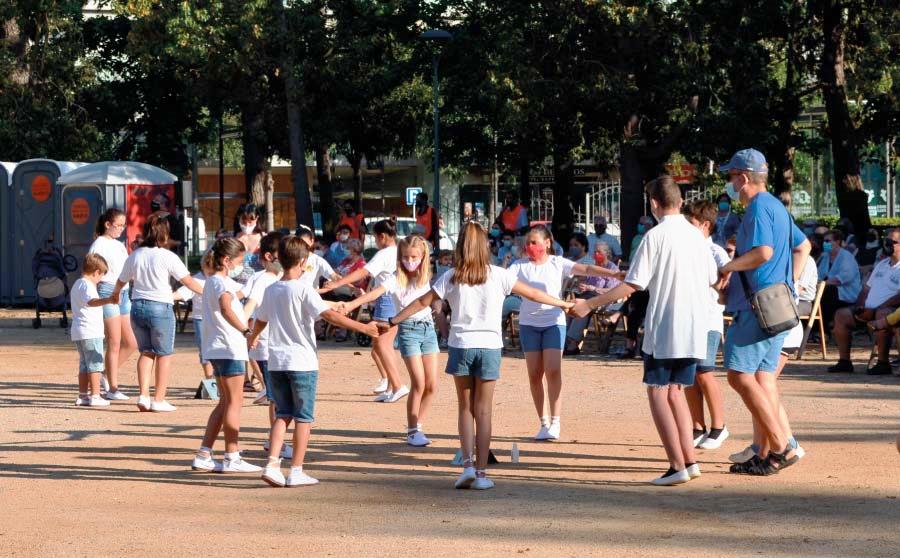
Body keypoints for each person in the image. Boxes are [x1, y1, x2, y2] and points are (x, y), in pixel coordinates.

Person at [384, 222, 573, 490]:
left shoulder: (451, 275)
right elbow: (533, 294)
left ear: (461, 247)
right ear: (486, 246)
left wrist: (393, 320)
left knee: (465, 407)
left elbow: (421, 302)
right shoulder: (499, 275)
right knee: (484, 411)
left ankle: (468, 466)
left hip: (461, 344)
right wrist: (564, 304)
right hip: (489, 345)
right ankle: (482, 474)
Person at [571, 176, 716, 485]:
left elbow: (632, 285)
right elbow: (711, 277)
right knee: (677, 391)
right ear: (679, 202)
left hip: (666, 326)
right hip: (695, 326)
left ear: (653, 203)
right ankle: (689, 461)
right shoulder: (697, 236)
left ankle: (677, 464)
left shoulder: (655, 236)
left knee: (658, 392)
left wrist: (589, 303)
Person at [251, 236, 379, 487]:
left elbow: (261, 320)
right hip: (302, 361)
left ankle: (273, 463)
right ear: (302, 262)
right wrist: (364, 328)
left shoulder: (272, 289)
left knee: (282, 414)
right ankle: (296, 469)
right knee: (303, 417)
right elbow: (330, 316)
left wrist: (253, 338)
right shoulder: (303, 289)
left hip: (277, 361)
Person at [717, 148, 809, 476]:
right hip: (777, 304)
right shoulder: (776, 207)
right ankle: (767, 452)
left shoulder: (758, 207)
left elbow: (763, 253)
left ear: (743, 178)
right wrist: (790, 282)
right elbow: (803, 246)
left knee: (739, 375)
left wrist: (729, 265)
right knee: (760, 378)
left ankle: (782, 446)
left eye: (731, 177)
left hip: (758, 307)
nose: (730, 184)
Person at [509, 225, 623, 440]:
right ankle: (543, 422)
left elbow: (587, 270)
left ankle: (556, 422)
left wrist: (614, 273)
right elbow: (502, 280)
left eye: (534, 242)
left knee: (553, 370)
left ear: (547, 243)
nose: (530, 246)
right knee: (534, 374)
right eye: (528, 243)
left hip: (554, 322)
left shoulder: (557, 263)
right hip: (528, 324)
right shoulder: (519, 265)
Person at [338, 235, 439, 446]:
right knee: (418, 383)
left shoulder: (427, 275)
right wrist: (350, 305)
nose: (410, 260)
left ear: (423, 257)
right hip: (408, 330)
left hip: (428, 329)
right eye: (405, 257)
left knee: (432, 385)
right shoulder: (395, 278)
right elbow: (374, 293)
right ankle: (412, 430)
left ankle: (418, 425)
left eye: (414, 257)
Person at [111, 213, 203, 412]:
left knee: (146, 352)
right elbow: (187, 281)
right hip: (160, 305)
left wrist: (116, 294)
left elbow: (121, 280)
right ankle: (159, 399)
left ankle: (143, 395)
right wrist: (207, 293)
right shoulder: (168, 256)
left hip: (137, 306)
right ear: (164, 235)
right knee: (164, 354)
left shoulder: (135, 254)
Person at [191, 237, 262, 474]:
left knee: (225, 403)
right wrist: (245, 330)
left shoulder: (213, 281)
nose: (242, 264)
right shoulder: (221, 284)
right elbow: (226, 307)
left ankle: (204, 453)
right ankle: (232, 455)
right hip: (229, 347)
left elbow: (232, 299)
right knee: (234, 403)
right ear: (226, 260)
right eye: (239, 260)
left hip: (218, 347)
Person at [320, 219, 408, 401]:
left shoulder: (384, 254)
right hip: (391, 299)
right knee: (379, 346)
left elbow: (365, 272)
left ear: (382, 236)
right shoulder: (399, 251)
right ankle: (391, 385)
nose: (375, 241)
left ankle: (397, 385)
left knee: (383, 345)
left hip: (386, 299)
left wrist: (338, 283)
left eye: (375, 238)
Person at [682, 201, 731, 450]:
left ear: (705, 224)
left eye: (691, 223)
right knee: (689, 373)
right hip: (688, 318)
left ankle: (719, 426)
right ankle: (698, 426)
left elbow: (723, 288)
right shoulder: (685, 250)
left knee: (705, 371)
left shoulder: (716, 253)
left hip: (708, 318)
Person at [829, 229, 900, 375]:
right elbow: (866, 289)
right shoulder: (882, 264)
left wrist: (876, 309)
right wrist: (860, 306)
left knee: (882, 314)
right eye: (886, 240)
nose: (887, 244)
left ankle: (883, 363)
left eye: (892, 241)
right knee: (841, 314)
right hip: (868, 310)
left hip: (888, 311)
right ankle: (844, 362)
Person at [88, 208, 137, 400]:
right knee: (114, 342)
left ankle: (105, 376)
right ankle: (113, 388)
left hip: (123, 292)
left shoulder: (119, 245)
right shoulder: (98, 244)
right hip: (107, 290)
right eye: (118, 225)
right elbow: (93, 272)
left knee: (131, 342)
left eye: (124, 225)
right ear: (107, 224)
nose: (121, 229)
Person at [71, 254, 117, 407]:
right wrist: (109, 300)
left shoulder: (77, 284)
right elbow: (92, 301)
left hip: (79, 332)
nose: (101, 279)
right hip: (91, 331)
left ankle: (83, 395)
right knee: (95, 364)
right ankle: (96, 395)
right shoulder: (87, 285)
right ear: (96, 272)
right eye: (101, 275)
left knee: (84, 364)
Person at [563, 240, 622, 355]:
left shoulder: (612, 268)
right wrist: (582, 286)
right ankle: (565, 342)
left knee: (583, 308)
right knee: (571, 306)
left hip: (605, 299)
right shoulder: (593, 267)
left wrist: (592, 288)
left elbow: (613, 291)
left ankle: (573, 344)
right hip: (589, 296)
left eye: (599, 252)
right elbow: (587, 285)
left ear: (607, 254)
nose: (596, 254)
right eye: (594, 252)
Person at [173, 250, 216, 381]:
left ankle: (217, 379)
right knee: (205, 351)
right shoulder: (196, 280)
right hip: (201, 319)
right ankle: (210, 379)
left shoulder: (221, 279)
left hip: (218, 320)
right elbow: (181, 294)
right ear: (203, 265)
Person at [817, 229, 862, 329]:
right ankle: (816, 328)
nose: (825, 243)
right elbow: (819, 276)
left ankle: (822, 329)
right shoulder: (825, 257)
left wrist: (822, 284)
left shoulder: (847, 257)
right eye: (824, 241)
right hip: (830, 292)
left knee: (827, 291)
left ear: (837, 242)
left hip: (846, 294)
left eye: (828, 241)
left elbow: (840, 280)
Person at [331, 239, 368, 342]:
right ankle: (320, 328)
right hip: (339, 288)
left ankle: (342, 331)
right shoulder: (345, 261)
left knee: (340, 299)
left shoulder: (361, 264)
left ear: (355, 250)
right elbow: (335, 272)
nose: (346, 250)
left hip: (353, 291)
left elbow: (358, 282)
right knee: (324, 294)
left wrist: (342, 280)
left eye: (348, 248)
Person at [234, 203, 264, 284]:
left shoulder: (264, 238)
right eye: (243, 221)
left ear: (257, 218)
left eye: (250, 222)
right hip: (238, 283)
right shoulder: (233, 239)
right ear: (238, 218)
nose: (247, 225)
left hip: (259, 283)